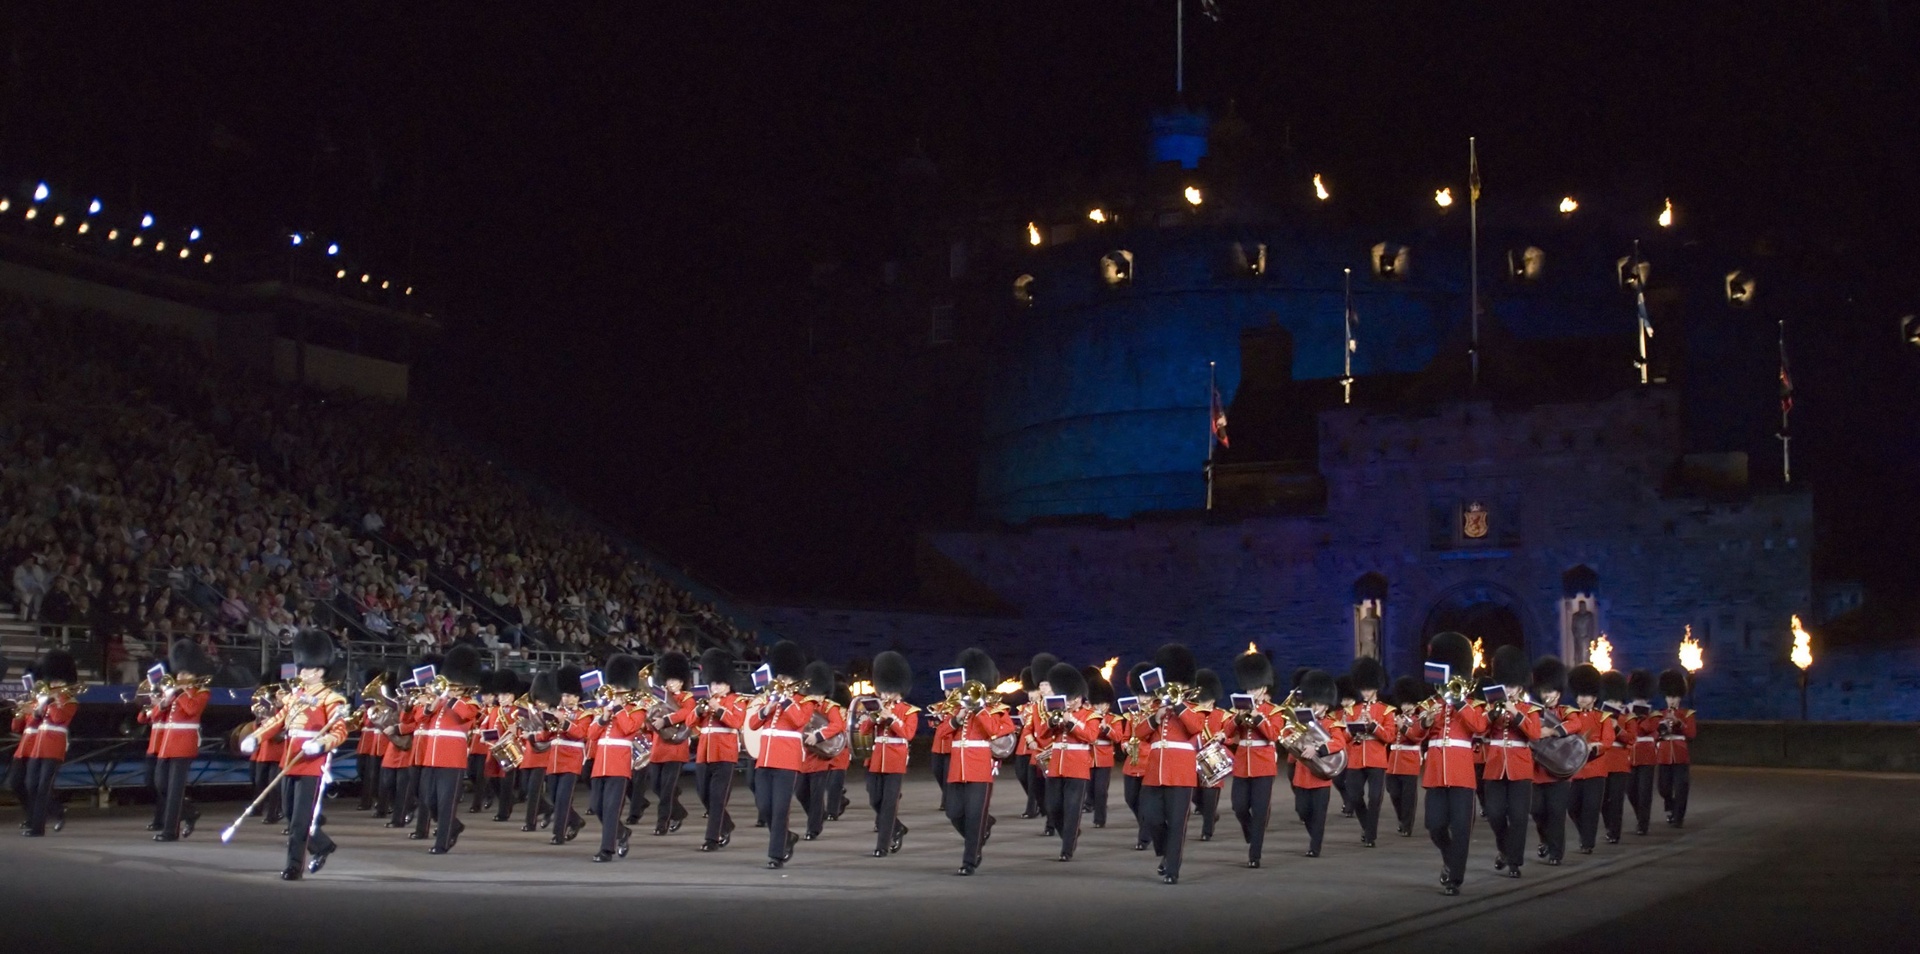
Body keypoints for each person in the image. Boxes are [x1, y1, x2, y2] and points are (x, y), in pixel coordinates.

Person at [239, 630, 350, 880]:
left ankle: (294, 866)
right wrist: (256, 737)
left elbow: (340, 731)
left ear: (320, 671)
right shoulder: (295, 697)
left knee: (300, 820)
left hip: (312, 763)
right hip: (290, 760)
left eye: (307, 669)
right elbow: (278, 721)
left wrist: (320, 744)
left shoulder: (332, 699)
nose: (301, 673)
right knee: (290, 815)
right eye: (302, 668)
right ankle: (321, 845)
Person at [1404, 632, 1491, 896]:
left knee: (1462, 828)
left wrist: (1459, 702)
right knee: (1435, 825)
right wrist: (1425, 722)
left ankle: (1455, 878)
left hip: (1462, 772)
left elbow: (1480, 726)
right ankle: (1450, 859)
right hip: (1435, 774)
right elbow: (1412, 735)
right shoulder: (1429, 704)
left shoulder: (1473, 704)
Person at [1134, 644, 1206, 885]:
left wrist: (1178, 705)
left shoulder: (1193, 707)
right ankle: (1165, 854)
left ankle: (1172, 869)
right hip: (1155, 772)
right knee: (1152, 817)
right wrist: (1155, 717)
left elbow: (1196, 728)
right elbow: (1139, 732)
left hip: (1181, 772)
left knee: (1177, 823)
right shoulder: (1155, 707)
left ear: (1186, 685)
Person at [944, 647, 1013, 876]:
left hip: (980, 768)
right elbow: (941, 734)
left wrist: (980, 709)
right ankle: (982, 830)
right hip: (957, 768)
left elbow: (994, 732)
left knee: (974, 816)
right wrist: (957, 718)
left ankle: (969, 860)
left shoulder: (997, 710)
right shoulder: (955, 708)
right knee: (954, 813)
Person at [747, 641, 814, 868]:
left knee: (780, 809)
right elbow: (754, 723)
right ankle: (786, 837)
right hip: (764, 758)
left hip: (787, 760)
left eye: (786, 678)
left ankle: (776, 854)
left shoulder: (805, 702)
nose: (782, 681)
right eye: (780, 677)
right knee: (764, 805)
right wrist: (767, 708)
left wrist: (785, 701)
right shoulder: (770, 698)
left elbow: (798, 721)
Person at [1481, 646, 1546, 878]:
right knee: (1495, 813)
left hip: (1520, 766)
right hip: (1496, 765)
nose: (1508, 690)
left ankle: (1514, 861)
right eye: (1505, 685)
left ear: (1520, 686)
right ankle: (1504, 849)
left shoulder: (1530, 709)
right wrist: (1493, 714)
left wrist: (1515, 713)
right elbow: (1480, 729)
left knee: (1518, 816)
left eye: (1512, 686)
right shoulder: (1491, 707)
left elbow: (1535, 735)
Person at [142, 639, 214, 842]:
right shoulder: (173, 693)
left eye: (185, 673)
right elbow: (155, 716)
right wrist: (163, 702)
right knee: (160, 784)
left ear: (194, 674)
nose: (180, 676)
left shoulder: (202, 692)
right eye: (179, 673)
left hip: (184, 743)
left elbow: (192, 709)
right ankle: (189, 812)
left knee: (174, 789)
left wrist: (178, 694)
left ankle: (169, 831)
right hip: (167, 743)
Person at [417, 644, 483, 855]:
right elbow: (420, 719)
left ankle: (442, 842)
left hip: (452, 758)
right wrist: (431, 702)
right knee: (428, 799)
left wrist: (450, 697)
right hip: (431, 756)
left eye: (455, 685)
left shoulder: (470, 703)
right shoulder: (439, 701)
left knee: (446, 803)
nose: (451, 688)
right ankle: (454, 826)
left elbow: (466, 715)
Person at [1033, 661, 1097, 862]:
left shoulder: (1090, 715)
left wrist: (1071, 721)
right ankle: (1070, 835)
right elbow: (1042, 736)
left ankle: (1067, 849)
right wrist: (1052, 722)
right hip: (1056, 766)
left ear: (1079, 698)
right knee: (1053, 808)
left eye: (1071, 699)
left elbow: (1090, 736)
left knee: (1071, 809)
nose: (1068, 702)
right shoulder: (1057, 712)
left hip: (1077, 768)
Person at [1283, 670, 1351, 858]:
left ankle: (1315, 846)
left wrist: (1319, 749)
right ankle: (1315, 837)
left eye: (1319, 703)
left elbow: (1339, 742)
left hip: (1320, 776)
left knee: (1319, 815)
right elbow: (1289, 737)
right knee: (1302, 811)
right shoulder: (1300, 720)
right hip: (1302, 774)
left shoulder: (1331, 723)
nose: (1316, 707)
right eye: (1313, 703)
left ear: (1326, 705)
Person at [857, 650, 918, 857]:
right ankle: (897, 828)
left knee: (889, 804)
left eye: (886, 690)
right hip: (875, 759)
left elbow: (907, 734)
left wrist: (890, 718)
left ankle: (881, 846)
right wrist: (873, 718)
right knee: (875, 800)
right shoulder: (877, 707)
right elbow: (863, 731)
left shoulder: (909, 711)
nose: (882, 694)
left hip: (895, 759)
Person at [587, 654, 647, 862]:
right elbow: (591, 734)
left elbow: (630, 728)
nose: (617, 690)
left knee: (611, 810)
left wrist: (619, 709)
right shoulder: (603, 708)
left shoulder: (637, 710)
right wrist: (603, 717)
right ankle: (622, 833)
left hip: (619, 764)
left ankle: (607, 850)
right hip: (600, 764)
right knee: (597, 806)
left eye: (620, 686)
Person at [1227, 650, 1283, 868]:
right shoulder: (1237, 708)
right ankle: (1252, 834)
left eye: (1256, 687)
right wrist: (1237, 718)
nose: (1252, 691)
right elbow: (1229, 731)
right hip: (1242, 763)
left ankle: (1255, 854)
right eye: (1249, 687)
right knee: (1239, 806)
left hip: (1263, 764)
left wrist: (1258, 717)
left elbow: (1273, 734)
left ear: (1264, 687)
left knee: (1260, 810)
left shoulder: (1274, 711)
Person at [16, 651, 79, 837]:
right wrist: (37, 707)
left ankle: (37, 828)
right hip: (38, 746)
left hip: (54, 747)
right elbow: (34, 720)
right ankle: (35, 821)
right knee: (31, 784)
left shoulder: (70, 701)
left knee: (43, 787)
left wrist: (51, 702)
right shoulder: (46, 698)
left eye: (57, 682)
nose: (54, 685)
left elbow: (59, 718)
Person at [692, 648, 747, 851]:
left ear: (728, 684)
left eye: (720, 683)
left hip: (724, 754)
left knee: (717, 798)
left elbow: (736, 721)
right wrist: (699, 710)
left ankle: (712, 839)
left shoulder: (738, 701)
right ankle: (727, 824)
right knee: (703, 794)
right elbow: (691, 722)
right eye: (713, 683)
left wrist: (719, 709)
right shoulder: (705, 701)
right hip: (704, 753)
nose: (716, 686)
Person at [1527, 656, 1576, 866]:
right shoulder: (1532, 712)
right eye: (1545, 691)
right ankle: (1545, 839)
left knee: (1556, 812)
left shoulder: (1566, 712)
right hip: (1537, 771)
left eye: (1552, 691)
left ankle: (1556, 851)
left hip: (1558, 772)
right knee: (1536, 810)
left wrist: (1554, 730)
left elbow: (1575, 725)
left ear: (1559, 691)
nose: (1548, 695)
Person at [1342, 656, 1394, 848]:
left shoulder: (1386, 711)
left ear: (1376, 688)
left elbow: (1389, 737)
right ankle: (1368, 827)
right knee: (1354, 796)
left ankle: (1370, 835)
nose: (1365, 692)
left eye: (1368, 688)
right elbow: (1344, 737)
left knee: (1374, 798)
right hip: (1356, 758)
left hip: (1376, 758)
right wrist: (1351, 731)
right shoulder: (1352, 710)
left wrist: (1373, 726)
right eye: (1363, 689)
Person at [643, 651, 697, 836]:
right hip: (659, 748)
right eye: (668, 680)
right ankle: (679, 812)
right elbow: (651, 717)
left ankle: (662, 823)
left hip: (675, 749)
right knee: (657, 786)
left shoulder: (687, 698)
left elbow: (686, 714)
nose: (670, 683)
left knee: (666, 791)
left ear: (682, 682)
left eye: (674, 680)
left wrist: (665, 721)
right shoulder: (659, 696)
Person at [1564, 663, 1614, 855]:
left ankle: (1587, 842)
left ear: (1594, 697)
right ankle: (1584, 834)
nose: (1581, 699)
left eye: (1585, 695)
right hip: (1576, 770)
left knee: (1591, 808)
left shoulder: (1603, 717)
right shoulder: (1571, 715)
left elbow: (1607, 740)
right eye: (1579, 695)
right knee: (1573, 807)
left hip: (1596, 768)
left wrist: (1595, 746)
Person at [794, 661, 846, 841]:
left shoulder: (830, 707)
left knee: (816, 795)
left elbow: (837, 725)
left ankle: (813, 828)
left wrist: (818, 736)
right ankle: (817, 816)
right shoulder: (802, 704)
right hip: (803, 757)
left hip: (820, 757)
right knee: (800, 792)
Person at [546, 665, 589, 845]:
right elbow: (547, 734)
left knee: (563, 799)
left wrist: (563, 722)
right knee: (554, 797)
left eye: (571, 695)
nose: (567, 698)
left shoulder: (584, 714)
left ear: (578, 697)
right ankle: (575, 821)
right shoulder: (557, 712)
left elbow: (580, 733)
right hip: (555, 759)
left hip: (572, 759)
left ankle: (559, 833)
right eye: (565, 695)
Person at [1190, 669, 1231, 842]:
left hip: (1213, 759)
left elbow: (1232, 734)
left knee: (1209, 796)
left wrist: (1223, 736)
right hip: (1193, 759)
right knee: (1194, 795)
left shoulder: (1223, 715)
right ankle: (1210, 814)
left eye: (1206, 700)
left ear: (1213, 699)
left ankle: (1207, 830)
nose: (1203, 703)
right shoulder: (1192, 713)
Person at [1384, 675, 1427, 838]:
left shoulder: (1418, 719)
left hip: (1409, 760)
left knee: (1408, 796)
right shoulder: (1396, 717)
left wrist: (1402, 728)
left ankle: (1407, 825)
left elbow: (1417, 737)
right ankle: (1402, 819)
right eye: (1403, 703)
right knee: (1393, 792)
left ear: (1415, 704)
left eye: (1409, 703)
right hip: (1394, 760)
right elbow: (1388, 737)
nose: (1405, 706)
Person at [245, 673, 288, 827]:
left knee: (273, 784)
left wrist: (271, 724)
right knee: (259, 782)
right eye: (279, 692)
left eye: (283, 692)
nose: (279, 695)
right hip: (264, 751)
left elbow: (282, 732)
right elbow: (257, 729)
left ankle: (273, 813)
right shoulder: (269, 706)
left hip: (279, 750)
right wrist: (259, 719)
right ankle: (258, 808)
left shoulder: (288, 709)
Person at [1655, 670, 1697, 828]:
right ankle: (1670, 806)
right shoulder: (1659, 714)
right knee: (1663, 788)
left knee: (1681, 788)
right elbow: (1654, 735)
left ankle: (1678, 817)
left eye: (1674, 697)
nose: (1671, 700)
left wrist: (1679, 722)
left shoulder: (1687, 713)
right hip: (1664, 755)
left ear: (1680, 697)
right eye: (1669, 697)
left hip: (1680, 756)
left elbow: (1691, 733)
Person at [1598, 670, 1634, 844]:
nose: (1614, 703)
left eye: (1616, 701)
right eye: (1611, 700)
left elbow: (1631, 738)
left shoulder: (1628, 717)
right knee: (1604, 799)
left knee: (1617, 799)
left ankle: (1615, 832)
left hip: (1619, 761)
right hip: (1603, 760)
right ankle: (1609, 826)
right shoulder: (1600, 715)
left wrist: (1617, 728)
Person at [1119, 662, 1152, 851]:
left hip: (1149, 761)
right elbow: (1125, 735)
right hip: (1132, 762)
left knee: (1145, 801)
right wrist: (1124, 744)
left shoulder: (1156, 713)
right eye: (1140, 695)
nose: (1142, 698)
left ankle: (1144, 837)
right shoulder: (1133, 713)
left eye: (1146, 695)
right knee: (1130, 798)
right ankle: (1148, 827)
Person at [1624, 669, 1660, 836]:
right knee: (1631, 790)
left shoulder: (1653, 713)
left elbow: (1650, 729)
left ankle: (1643, 824)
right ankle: (1641, 816)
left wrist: (1640, 719)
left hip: (1646, 754)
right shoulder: (1626, 711)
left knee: (1644, 791)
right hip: (1630, 755)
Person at [1083, 668, 1117, 829]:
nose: (1100, 707)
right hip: (1089, 756)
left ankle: (1100, 818)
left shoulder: (1113, 718)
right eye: (1097, 703)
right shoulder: (1089, 717)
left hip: (1104, 758)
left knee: (1101, 790)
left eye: (1103, 704)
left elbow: (1117, 737)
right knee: (1089, 789)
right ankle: (1090, 807)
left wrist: (1106, 728)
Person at [354, 672, 389, 815]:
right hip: (368, 741)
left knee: (377, 775)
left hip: (381, 741)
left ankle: (380, 802)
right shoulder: (369, 706)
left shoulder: (385, 706)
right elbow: (359, 725)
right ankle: (368, 800)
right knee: (364, 772)